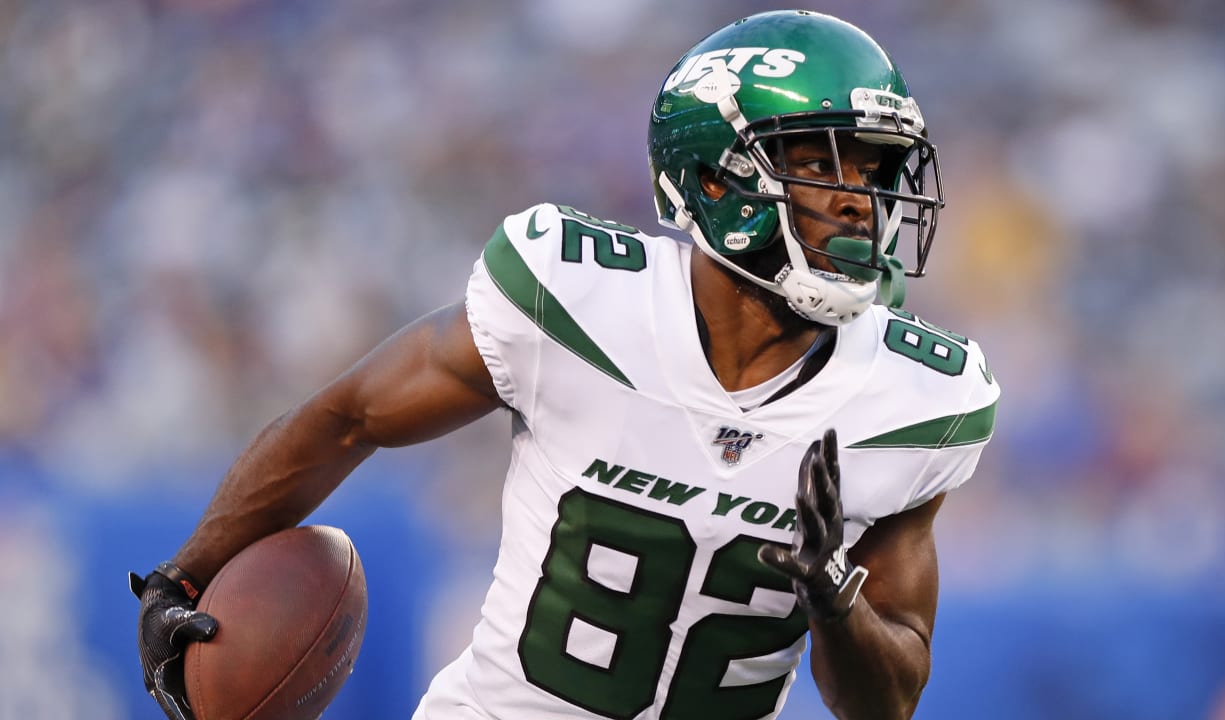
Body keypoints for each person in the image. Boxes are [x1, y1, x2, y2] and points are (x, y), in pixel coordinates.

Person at [131, 9, 1000, 720]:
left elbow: (886, 704)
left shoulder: (917, 398)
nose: (862, 198)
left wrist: (834, 600)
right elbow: (348, 417)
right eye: (820, 162)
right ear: (710, 182)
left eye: (878, 169)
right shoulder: (577, 300)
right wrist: (187, 572)